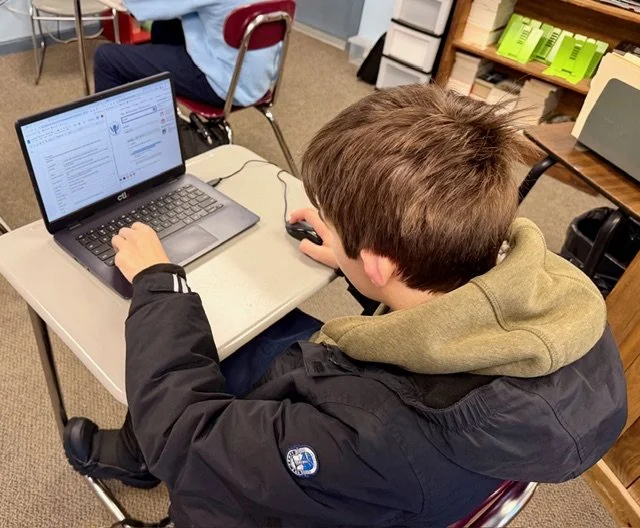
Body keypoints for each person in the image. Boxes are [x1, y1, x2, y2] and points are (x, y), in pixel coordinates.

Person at [63, 85, 627, 528]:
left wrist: (159, 282)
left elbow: (190, 436)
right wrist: (355, 255)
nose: (323, 219)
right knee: (258, 334)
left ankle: (138, 456)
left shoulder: (368, 439)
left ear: (381, 261)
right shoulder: (566, 305)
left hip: (317, 490)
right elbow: (447, 295)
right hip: (428, 455)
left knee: (189, 376)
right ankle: (135, 449)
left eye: (332, 216)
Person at [93, 0, 280, 106]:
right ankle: (157, 109)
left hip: (224, 86)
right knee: (165, 26)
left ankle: (113, 141)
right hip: (260, 80)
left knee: (106, 58)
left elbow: (133, 4)